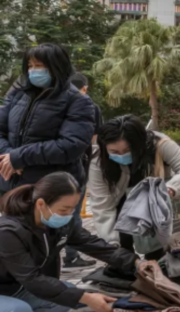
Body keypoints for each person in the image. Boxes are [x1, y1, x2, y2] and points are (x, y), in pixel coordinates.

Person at [0, 172, 141, 312]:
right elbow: (31, 279)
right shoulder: (8, 232)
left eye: (73, 209)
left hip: (22, 287)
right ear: (41, 204)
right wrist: (85, 298)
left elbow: (93, 244)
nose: (69, 214)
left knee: (71, 294)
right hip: (10, 289)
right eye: (64, 209)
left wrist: (136, 263)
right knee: (19, 309)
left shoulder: (60, 224)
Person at [87, 115, 180, 258]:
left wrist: (168, 189)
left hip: (156, 207)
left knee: (157, 252)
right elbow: (102, 207)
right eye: (114, 152)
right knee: (122, 254)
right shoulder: (98, 161)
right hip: (120, 209)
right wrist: (112, 246)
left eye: (128, 150)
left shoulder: (159, 143)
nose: (122, 155)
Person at [0, 44, 95, 194]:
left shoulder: (78, 101)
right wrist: (10, 156)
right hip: (11, 184)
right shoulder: (18, 94)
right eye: (30, 66)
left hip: (52, 189)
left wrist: (20, 157)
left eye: (39, 66)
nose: (32, 71)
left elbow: (70, 146)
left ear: (57, 67)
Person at [62, 72, 103, 269]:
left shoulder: (56, 103)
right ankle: (71, 256)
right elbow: (93, 139)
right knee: (73, 211)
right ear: (84, 88)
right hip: (78, 167)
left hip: (51, 168)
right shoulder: (89, 106)